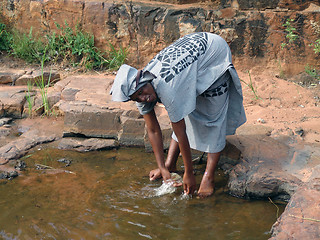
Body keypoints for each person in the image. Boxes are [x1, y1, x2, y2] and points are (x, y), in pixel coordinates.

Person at [110, 32, 246, 197]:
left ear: (145, 79)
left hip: (213, 52)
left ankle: (208, 176)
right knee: (184, 108)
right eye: (136, 97)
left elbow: (180, 130)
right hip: (193, 57)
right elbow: (153, 130)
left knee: (214, 118)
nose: (143, 98)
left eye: (142, 92)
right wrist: (162, 168)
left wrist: (189, 173)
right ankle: (170, 164)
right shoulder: (138, 89)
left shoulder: (166, 87)